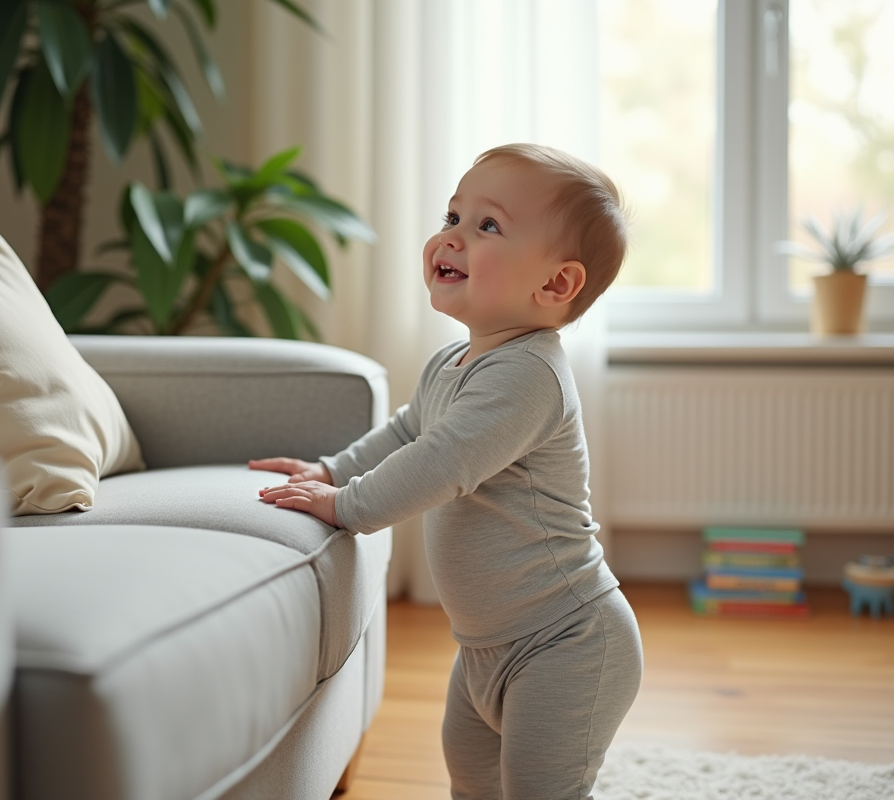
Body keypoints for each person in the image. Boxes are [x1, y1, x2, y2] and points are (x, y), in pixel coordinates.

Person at [250, 143, 642, 800]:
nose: (451, 238)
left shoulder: (529, 376)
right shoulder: (453, 364)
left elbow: (443, 463)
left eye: (486, 226)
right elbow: (410, 431)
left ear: (555, 285)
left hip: (567, 643)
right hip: (485, 649)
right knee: (471, 781)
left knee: (541, 789)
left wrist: (346, 503)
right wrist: (330, 467)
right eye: (452, 216)